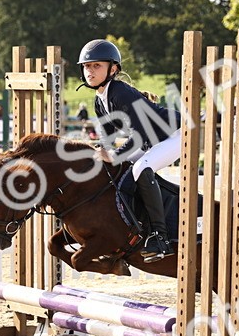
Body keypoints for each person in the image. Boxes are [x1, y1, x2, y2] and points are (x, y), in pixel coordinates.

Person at [77, 39, 181, 262]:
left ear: (112, 69)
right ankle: (131, 229)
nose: (90, 71)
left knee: (141, 169)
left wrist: (114, 155)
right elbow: (107, 139)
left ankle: (160, 239)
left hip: (176, 135)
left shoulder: (120, 92)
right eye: (87, 66)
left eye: (97, 66)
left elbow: (142, 135)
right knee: (120, 171)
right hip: (152, 141)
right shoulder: (99, 100)